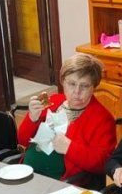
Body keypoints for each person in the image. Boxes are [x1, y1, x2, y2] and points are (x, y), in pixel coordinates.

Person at [18, 53, 116, 186]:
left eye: (85, 86)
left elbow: (103, 163)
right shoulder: (52, 101)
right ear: (63, 81)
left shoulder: (103, 119)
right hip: (27, 173)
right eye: (72, 83)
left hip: (61, 184)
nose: (77, 91)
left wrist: (69, 148)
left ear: (94, 87)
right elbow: (22, 140)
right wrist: (32, 118)